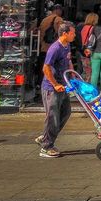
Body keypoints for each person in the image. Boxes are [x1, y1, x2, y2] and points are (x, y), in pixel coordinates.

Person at [37, 21, 75, 158]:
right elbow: (45, 68)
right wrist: (55, 84)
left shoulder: (67, 45)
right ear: (65, 34)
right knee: (52, 116)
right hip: (51, 88)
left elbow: (68, 59)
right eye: (72, 33)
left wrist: (72, 73)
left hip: (63, 85)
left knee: (66, 112)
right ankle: (46, 146)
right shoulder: (55, 48)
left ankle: (46, 136)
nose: (74, 35)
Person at [77, 12, 98, 82]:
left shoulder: (82, 27)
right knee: (90, 73)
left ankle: (80, 85)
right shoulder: (93, 28)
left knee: (84, 71)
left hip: (83, 51)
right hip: (89, 52)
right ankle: (86, 89)